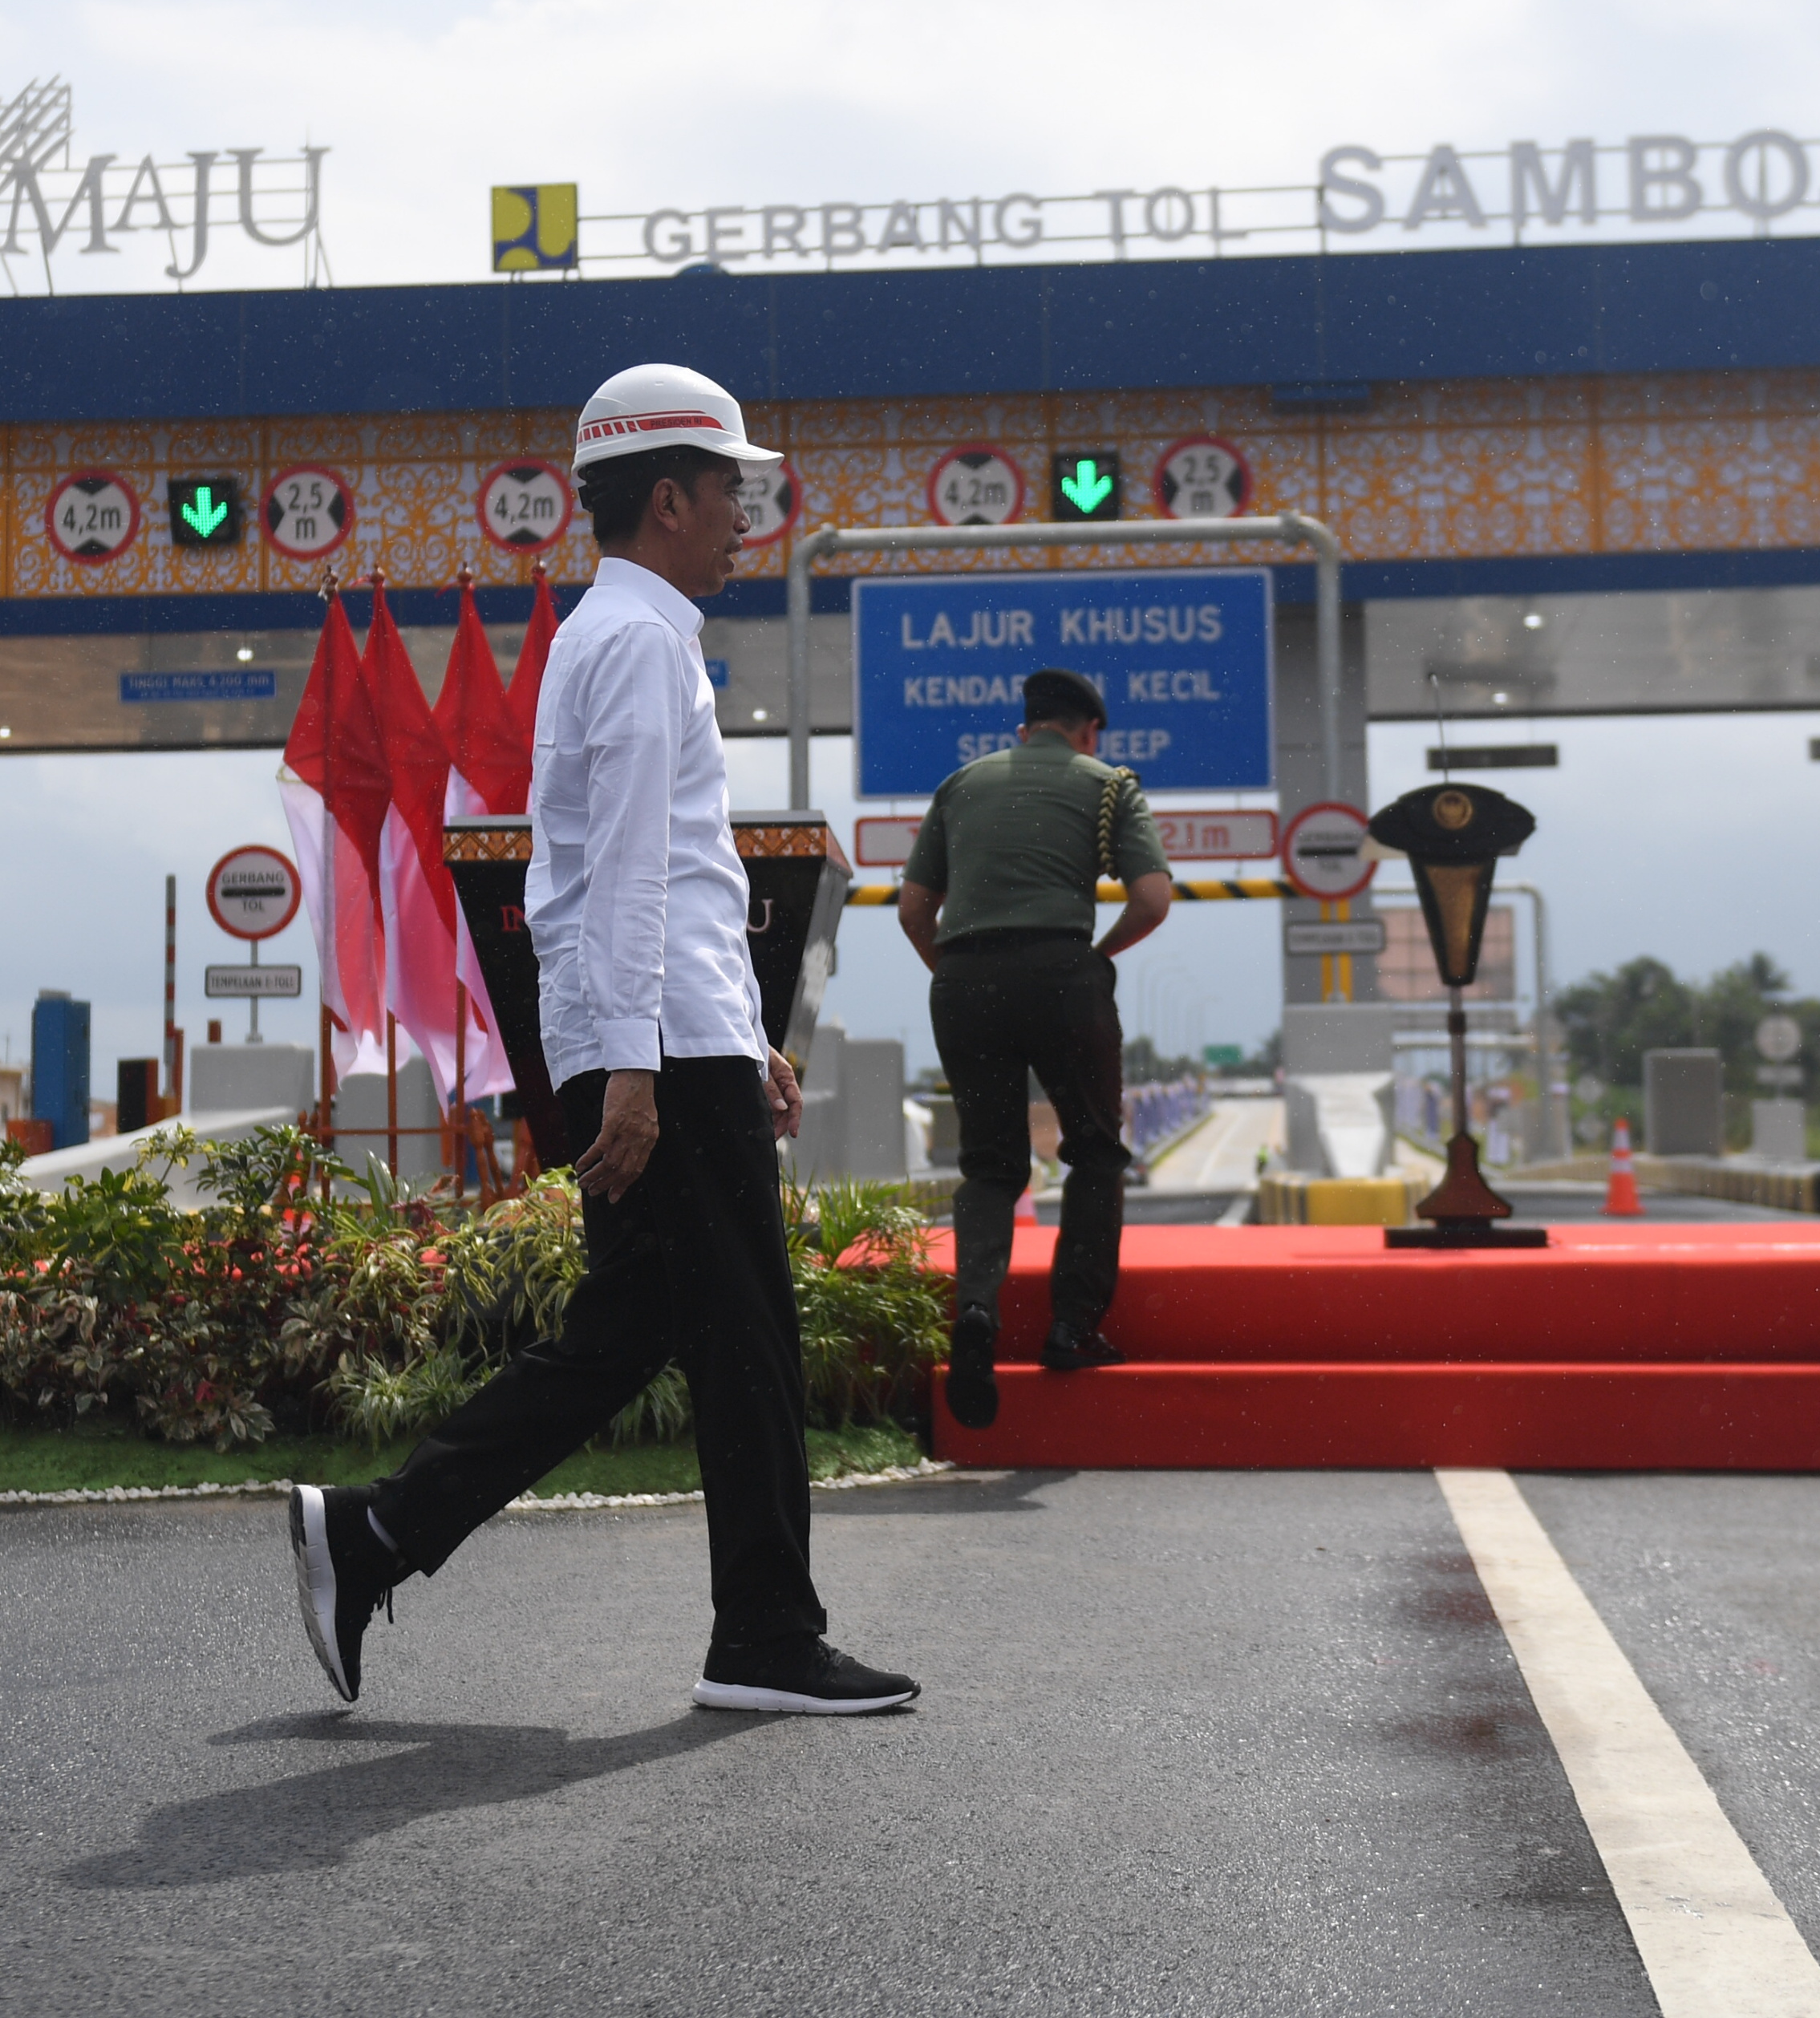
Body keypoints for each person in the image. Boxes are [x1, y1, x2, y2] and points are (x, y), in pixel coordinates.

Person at [289, 363, 918, 1718]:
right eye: (736, 491)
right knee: (744, 1338)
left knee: (632, 1332)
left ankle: (381, 1532)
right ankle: (761, 1632)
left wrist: (741, 1039)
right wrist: (641, 1065)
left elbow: (667, 878)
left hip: (678, 1039)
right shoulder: (639, 642)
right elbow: (628, 868)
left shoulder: (628, 633)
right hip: (658, 1054)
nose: (751, 516)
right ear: (673, 496)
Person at [897, 669, 1173, 1428]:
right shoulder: (1108, 783)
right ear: (1088, 731)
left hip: (963, 980)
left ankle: (978, 1310)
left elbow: (915, 909)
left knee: (989, 1164)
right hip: (1062, 975)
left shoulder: (962, 783)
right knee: (1091, 1150)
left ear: (1023, 729)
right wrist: (1099, 957)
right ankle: (1070, 1327)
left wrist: (960, 973)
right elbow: (1152, 898)